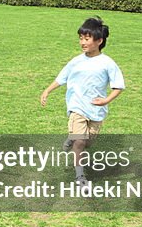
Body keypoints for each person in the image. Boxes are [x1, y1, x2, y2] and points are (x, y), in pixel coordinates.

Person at [40, 17, 125, 188]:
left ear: (99, 41)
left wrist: (106, 100)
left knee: (87, 142)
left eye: (87, 39)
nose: (82, 42)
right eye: (81, 38)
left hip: (96, 110)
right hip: (77, 107)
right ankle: (80, 177)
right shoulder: (76, 61)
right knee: (80, 141)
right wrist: (47, 90)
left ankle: (72, 139)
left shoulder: (107, 63)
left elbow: (119, 86)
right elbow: (61, 78)